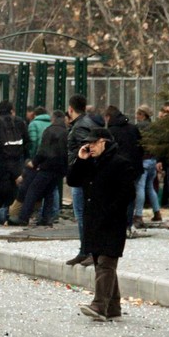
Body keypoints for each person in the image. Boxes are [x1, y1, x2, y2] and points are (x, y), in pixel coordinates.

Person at [67, 128, 137, 322]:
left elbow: (128, 194)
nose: (89, 146)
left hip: (112, 221)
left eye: (93, 143)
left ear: (104, 142)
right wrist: (80, 160)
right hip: (94, 221)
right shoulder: (91, 162)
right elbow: (73, 180)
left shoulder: (120, 163)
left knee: (106, 262)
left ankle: (99, 305)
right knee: (101, 261)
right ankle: (113, 307)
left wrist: (111, 211)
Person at [15, 110, 68, 226]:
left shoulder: (49, 131)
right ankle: (47, 218)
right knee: (49, 192)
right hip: (59, 169)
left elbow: (43, 150)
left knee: (33, 191)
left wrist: (35, 162)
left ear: (53, 119)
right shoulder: (66, 132)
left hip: (47, 166)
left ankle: (23, 218)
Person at [65, 94, 100, 266]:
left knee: (82, 215)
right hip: (83, 176)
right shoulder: (88, 123)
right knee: (83, 214)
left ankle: (88, 251)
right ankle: (84, 250)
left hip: (81, 177)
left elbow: (85, 152)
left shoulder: (79, 127)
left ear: (70, 109)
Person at [0, 100, 30, 213]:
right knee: (13, 189)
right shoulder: (20, 121)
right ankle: (11, 214)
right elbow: (27, 141)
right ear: (11, 110)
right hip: (16, 162)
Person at [104, 105, 144, 230]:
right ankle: (128, 224)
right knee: (130, 196)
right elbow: (141, 147)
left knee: (115, 196)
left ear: (108, 117)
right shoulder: (133, 128)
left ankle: (117, 224)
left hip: (117, 169)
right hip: (134, 168)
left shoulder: (110, 132)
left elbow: (108, 152)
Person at [134, 105, 162, 224]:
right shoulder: (155, 127)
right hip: (153, 160)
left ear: (142, 115)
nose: (136, 116)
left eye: (138, 114)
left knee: (140, 187)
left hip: (143, 160)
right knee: (150, 187)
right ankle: (157, 212)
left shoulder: (138, 127)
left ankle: (138, 215)